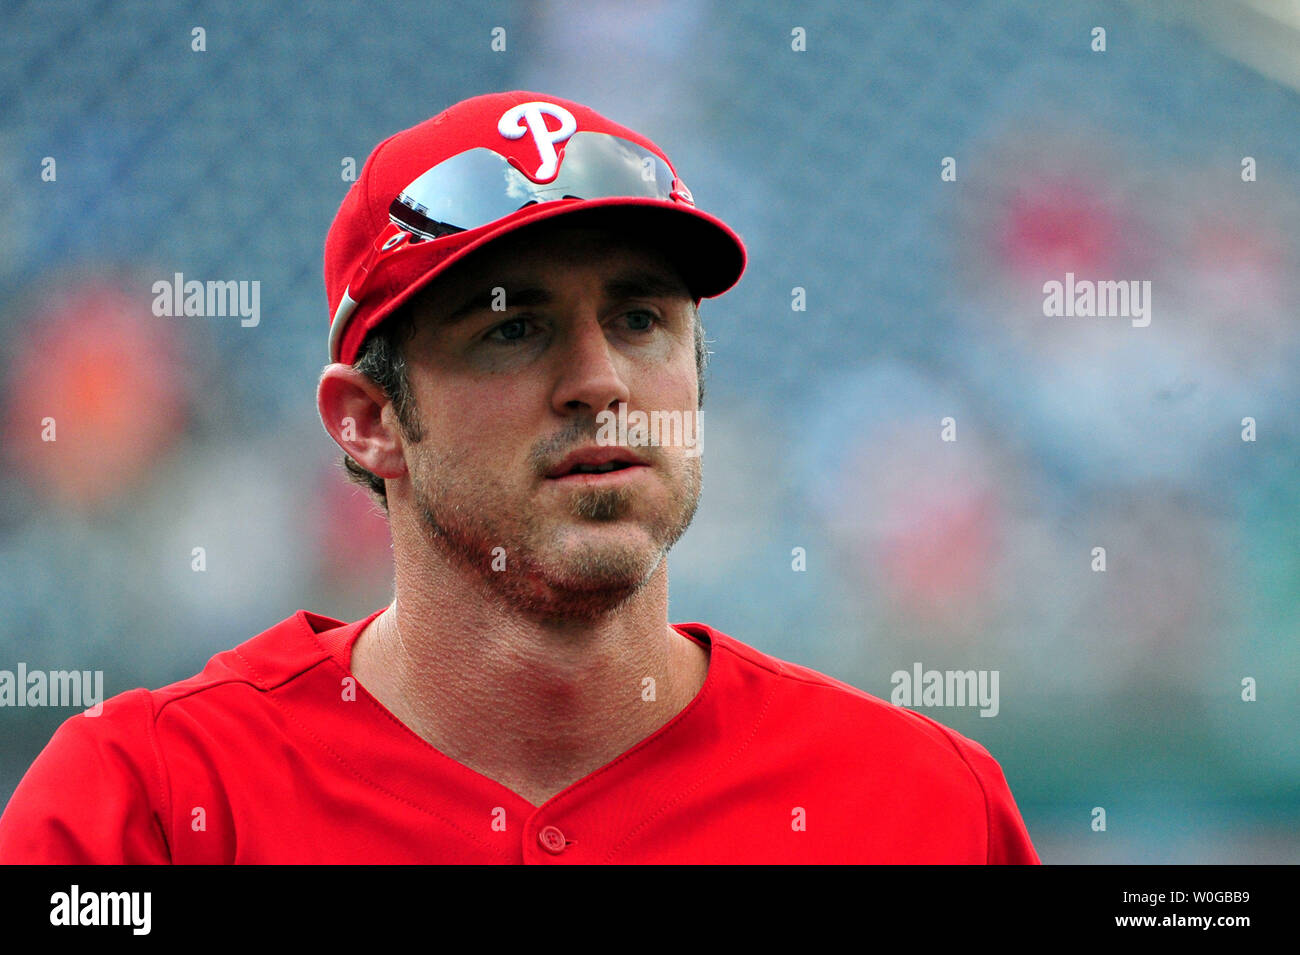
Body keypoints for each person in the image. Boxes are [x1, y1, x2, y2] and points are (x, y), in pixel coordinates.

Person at [0, 91, 1039, 863]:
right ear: (367, 423)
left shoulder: (920, 806)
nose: (598, 380)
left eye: (640, 318)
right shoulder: (154, 802)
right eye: (514, 328)